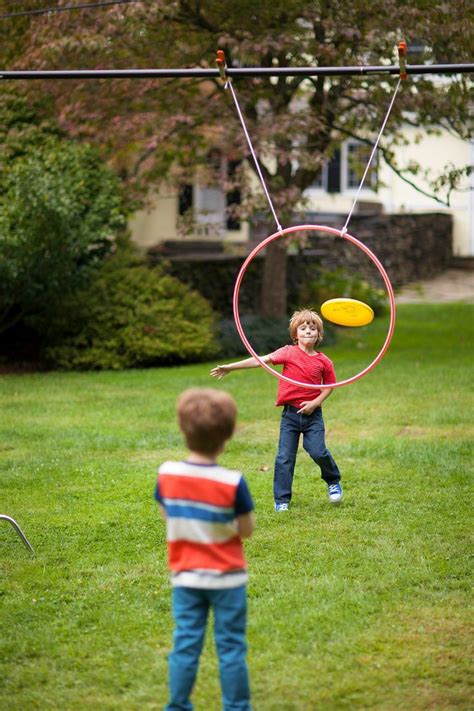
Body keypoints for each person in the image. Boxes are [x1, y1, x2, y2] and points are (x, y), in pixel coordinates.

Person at [155, 387, 255, 711]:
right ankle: (237, 707)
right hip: (228, 580)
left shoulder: (166, 474)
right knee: (231, 647)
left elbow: (168, 514)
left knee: (185, 644)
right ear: (227, 436)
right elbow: (246, 530)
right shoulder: (233, 482)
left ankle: (178, 705)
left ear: (184, 431)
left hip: (186, 578)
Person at [210, 309, 342, 511]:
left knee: (317, 450)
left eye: (313, 328)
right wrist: (231, 367)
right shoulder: (288, 352)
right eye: (303, 328)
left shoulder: (324, 361)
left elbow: (329, 386)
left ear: (319, 335)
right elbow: (259, 360)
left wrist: (315, 403)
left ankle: (333, 481)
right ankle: (282, 501)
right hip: (290, 415)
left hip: (313, 415)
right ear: (295, 335)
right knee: (284, 457)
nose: (308, 331)